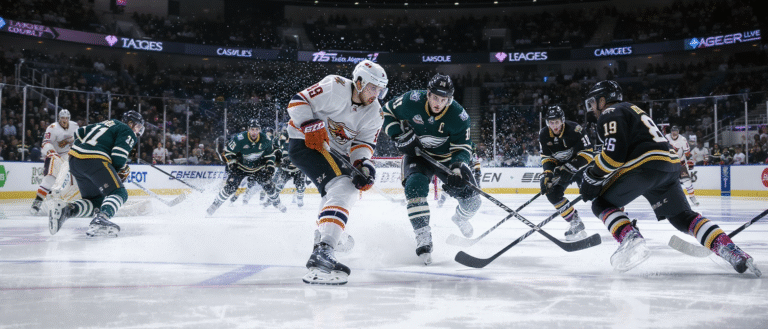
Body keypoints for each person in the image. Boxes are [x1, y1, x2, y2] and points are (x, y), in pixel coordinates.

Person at [580, 80, 760, 276]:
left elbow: (614, 156)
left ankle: (630, 238)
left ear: (603, 100)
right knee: (682, 218)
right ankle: (731, 250)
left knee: (601, 204)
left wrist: (592, 176)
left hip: (644, 166)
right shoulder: (634, 109)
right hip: (668, 166)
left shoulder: (609, 113)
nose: (592, 109)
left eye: (593, 102)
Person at [288, 60, 386, 285]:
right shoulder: (335, 86)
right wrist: (309, 123)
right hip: (306, 143)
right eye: (373, 88)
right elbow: (297, 101)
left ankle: (324, 236)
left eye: (380, 90)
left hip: (334, 152)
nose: (376, 94)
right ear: (359, 82)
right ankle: (323, 250)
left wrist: (363, 165)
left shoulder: (375, 113)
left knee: (347, 188)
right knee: (343, 186)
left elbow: (363, 144)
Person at [382, 73, 481, 265]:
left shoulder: (459, 116)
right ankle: (423, 237)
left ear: (450, 99)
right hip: (417, 155)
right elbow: (385, 112)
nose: (438, 103)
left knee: (473, 202)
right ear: (427, 94)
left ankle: (460, 218)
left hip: (447, 160)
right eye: (435, 97)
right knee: (415, 186)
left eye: (443, 99)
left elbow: (463, 147)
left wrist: (458, 168)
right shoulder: (411, 100)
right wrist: (398, 134)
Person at [48, 110, 145, 237]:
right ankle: (101, 219)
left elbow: (79, 132)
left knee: (96, 202)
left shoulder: (108, 123)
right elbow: (118, 157)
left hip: (75, 161)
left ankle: (66, 211)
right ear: (130, 123)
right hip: (94, 160)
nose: (137, 131)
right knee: (119, 192)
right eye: (137, 126)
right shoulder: (128, 131)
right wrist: (121, 170)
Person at [538, 105, 594, 241]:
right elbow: (546, 157)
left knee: (594, 193)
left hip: (582, 166)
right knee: (552, 194)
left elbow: (589, 153)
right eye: (551, 122)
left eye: (557, 122)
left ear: (562, 120)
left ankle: (618, 215)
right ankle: (575, 222)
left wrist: (572, 166)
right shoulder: (544, 134)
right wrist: (548, 174)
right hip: (563, 170)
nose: (554, 126)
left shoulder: (576, 130)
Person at [206, 119, 284, 215]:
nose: (254, 132)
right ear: (248, 130)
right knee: (230, 187)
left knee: (269, 186)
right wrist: (232, 163)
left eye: (256, 129)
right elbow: (228, 152)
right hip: (240, 167)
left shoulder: (266, 140)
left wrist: (270, 165)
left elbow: (270, 155)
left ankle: (277, 203)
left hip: (258, 167)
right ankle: (215, 204)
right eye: (252, 129)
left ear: (259, 130)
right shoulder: (239, 139)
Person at [30, 109, 79, 215]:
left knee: (74, 178)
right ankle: (37, 203)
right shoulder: (52, 128)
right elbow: (45, 143)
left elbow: (79, 140)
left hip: (68, 155)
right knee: (49, 179)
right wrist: (51, 152)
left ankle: (70, 202)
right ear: (59, 118)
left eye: (66, 118)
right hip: (54, 155)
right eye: (62, 118)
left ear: (69, 118)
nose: (64, 120)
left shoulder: (75, 126)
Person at [437, 142, 481, 208]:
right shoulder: (462, 149)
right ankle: (442, 200)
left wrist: (477, 174)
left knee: (464, 190)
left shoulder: (472, 153)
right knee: (450, 185)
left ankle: (470, 199)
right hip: (461, 169)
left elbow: (476, 164)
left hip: (467, 172)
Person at [665, 125, 698, 206]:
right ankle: (669, 199)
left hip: (681, 162)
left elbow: (687, 152)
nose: (674, 133)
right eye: (673, 131)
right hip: (670, 162)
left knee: (686, 180)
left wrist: (689, 161)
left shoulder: (683, 139)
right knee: (667, 182)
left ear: (678, 132)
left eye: (676, 131)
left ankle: (692, 196)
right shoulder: (666, 137)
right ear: (671, 131)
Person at [274, 127, 306, 207]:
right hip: (285, 169)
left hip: (298, 169)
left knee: (300, 187)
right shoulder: (284, 144)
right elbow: (278, 155)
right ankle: (273, 199)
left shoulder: (301, 142)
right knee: (279, 185)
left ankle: (300, 199)